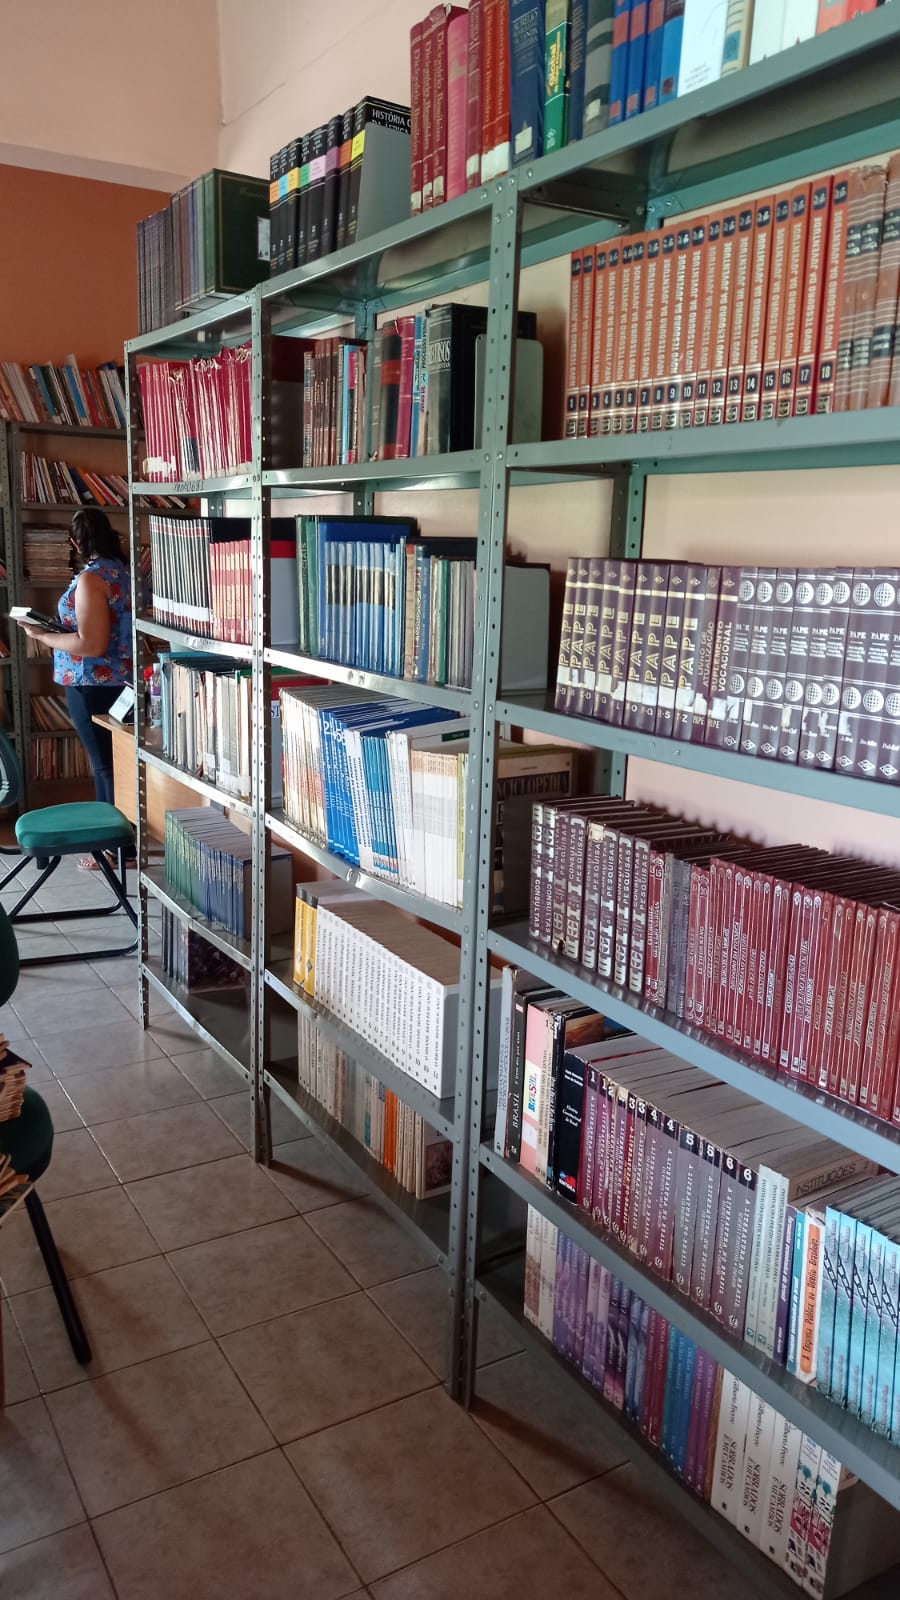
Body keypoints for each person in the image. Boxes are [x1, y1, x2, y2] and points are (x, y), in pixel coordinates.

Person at [16, 508, 133, 857]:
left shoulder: (91, 579)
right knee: (118, 763)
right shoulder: (123, 572)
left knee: (105, 766)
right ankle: (121, 845)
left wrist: (42, 635)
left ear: (75, 543)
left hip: (91, 682)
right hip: (121, 679)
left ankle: (114, 849)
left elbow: (90, 644)